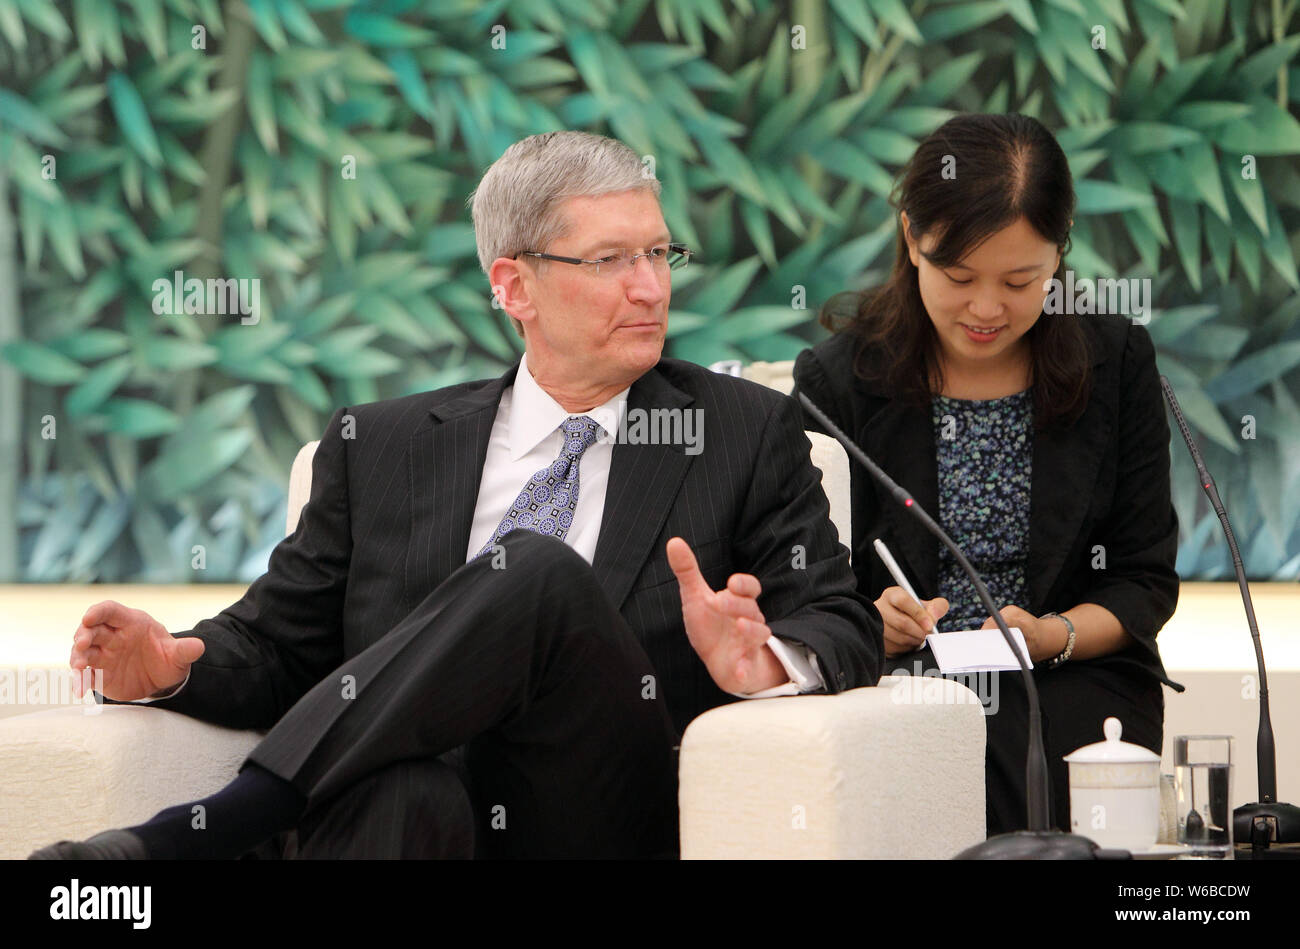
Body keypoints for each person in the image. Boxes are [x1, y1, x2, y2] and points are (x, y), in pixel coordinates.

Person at [31, 131, 883, 860]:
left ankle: (198, 837)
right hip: (422, 806)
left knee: (533, 568)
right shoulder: (384, 446)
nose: (651, 287)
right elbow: (279, 645)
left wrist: (765, 659)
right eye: (611, 259)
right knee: (402, 792)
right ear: (514, 286)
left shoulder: (742, 431)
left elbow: (840, 618)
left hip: (599, 808)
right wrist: (174, 666)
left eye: (659, 252)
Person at [792, 112, 1182, 837]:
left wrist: (1051, 635)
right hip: (905, 676)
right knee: (938, 739)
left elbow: (1143, 579)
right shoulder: (837, 381)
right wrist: (867, 622)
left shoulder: (1116, 363)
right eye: (958, 274)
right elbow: (802, 575)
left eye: (1019, 279)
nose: (985, 308)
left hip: (1072, 671)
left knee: (1019, 739)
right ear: (912, 238)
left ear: (1058, 258)